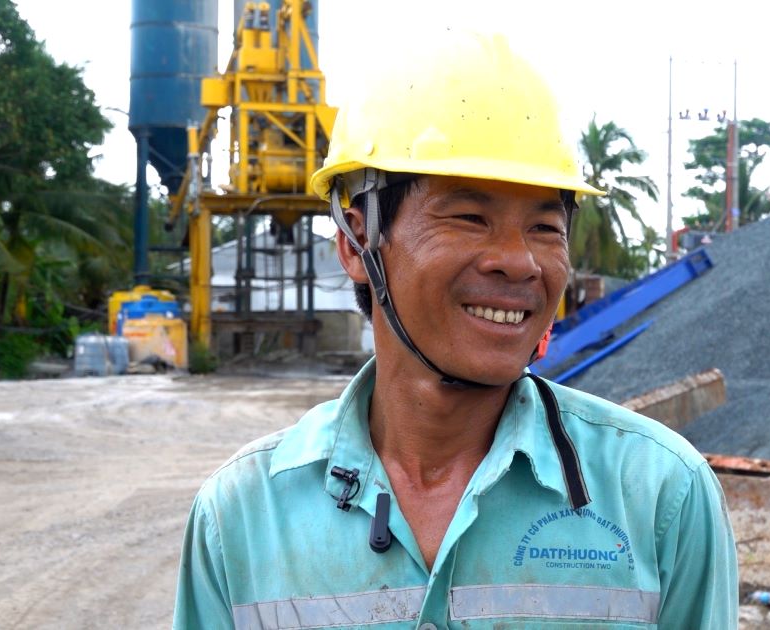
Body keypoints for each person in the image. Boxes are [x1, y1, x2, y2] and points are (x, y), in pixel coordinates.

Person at [173, 30, 738, 629]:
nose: (517, 261)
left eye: (546, 228)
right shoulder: (241, 518)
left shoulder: (660, 496)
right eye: (470, 217)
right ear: (355, 241)